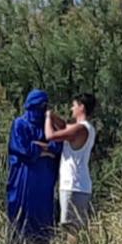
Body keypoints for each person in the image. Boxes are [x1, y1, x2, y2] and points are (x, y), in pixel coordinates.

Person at [6, 89, 61, 244]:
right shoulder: (20, 124)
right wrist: (45, 150)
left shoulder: (48, 126)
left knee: (42, 218)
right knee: (21, 215)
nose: (40, 111)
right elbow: (22, 149)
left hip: (44, 180)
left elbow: (57, 146)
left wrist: (39, 147)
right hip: (23, 179)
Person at [46, 92, 97, 229]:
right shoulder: (87, 128)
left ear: (81, 107)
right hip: (80, 186)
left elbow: (51, 135)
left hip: (73, 186)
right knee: (77, 228)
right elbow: (64, 126)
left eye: (74, 105)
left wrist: (48, 117)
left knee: (71, 229)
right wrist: (54, 116)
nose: (71, 109)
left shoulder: (80, 128)